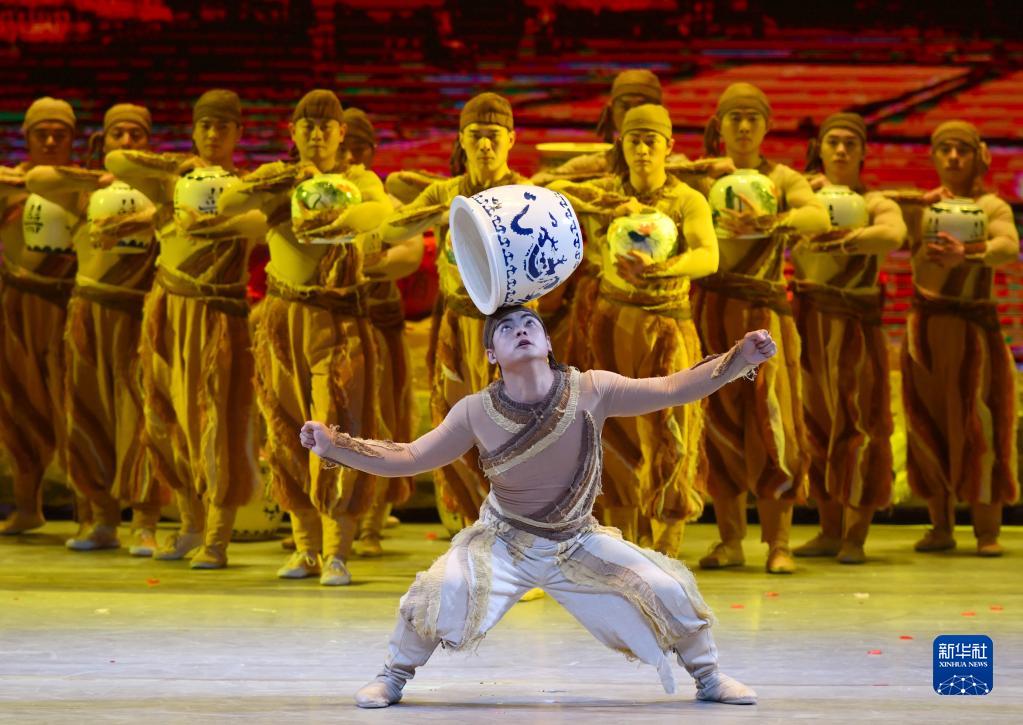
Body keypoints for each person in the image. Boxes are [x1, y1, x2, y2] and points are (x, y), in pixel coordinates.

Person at [301, 306, 771, 708]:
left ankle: (709, 677)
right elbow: (410, 457)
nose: (521, 330)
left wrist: (739, 358)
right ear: (491, 354)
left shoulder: (592, 388)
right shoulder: (475, 410)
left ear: (547, 342)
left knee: (665, 587)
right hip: (505, 540)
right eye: (506, 329)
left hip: (577, 540)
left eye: (530, 324)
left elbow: (671, 388)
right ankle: (392, 677)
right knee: (443, 588)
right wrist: (334, 445)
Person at [218, 90, 397, 584]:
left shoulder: (359, 180)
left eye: (325, 127)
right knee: (286, 427)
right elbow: (230, 201)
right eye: (307, 126)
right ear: (293, 132)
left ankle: (337, 550)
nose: (316, 135)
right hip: (284, 320)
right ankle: (305, 548)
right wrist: (281, 182)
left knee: (337, 424)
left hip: (338, 321)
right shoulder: (279, 178)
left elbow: (379, 212)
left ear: (341, 133)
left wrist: (339, 215)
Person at [105, 89, 264, 568]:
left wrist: (212, 222)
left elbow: (260, 223)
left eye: (223, 127)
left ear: (238, 133)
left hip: (217, 316)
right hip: (167, 313)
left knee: (215, 422)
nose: (213, 135)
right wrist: (180, 169)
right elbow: (118, 160)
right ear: (193, 131)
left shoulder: (246, 189)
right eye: (205, 126)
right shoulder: (174, 184)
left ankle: (217, 536)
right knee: (164, 420)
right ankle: (190, 523)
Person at [551, 104, 718, 557]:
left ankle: (666, 545)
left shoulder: (686, 199)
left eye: (651, 142)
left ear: (669, 146)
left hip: (667, 324)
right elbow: (552, 190)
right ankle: (621, 543)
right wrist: (606, 204)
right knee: (611, 428)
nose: (642, 150)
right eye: (634, 141)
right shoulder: (608, 192)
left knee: (671, 428)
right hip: (612, 322)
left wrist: (661, 269)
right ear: (621, 145)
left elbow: (708, 255)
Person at [693, 82, 830, 574]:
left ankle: (779, 543)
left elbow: (817, 216)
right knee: (718, 424)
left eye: (753, 118)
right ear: (720, 125)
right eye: (735, 117)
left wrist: (773, 219)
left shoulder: (782, 177)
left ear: (767, 126)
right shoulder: (704, 175)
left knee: (775, 423)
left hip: (765, 314)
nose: (745, 126)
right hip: (712, 309)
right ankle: (730, 541)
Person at [376, 92, 528, 523]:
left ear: (511, 139)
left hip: (510, 327)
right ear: (461, 140)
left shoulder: (525, 195)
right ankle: (470, 529)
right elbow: (390, 229)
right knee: (459, 424)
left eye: (494, 135)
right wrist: (440, 213)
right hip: (458, 324)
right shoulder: (446, 193)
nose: (485, 145)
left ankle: (517, 533)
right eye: (475, 135)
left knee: (515, 428)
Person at [24, 103, 163, 554]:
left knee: (139, 420)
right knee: (86, 415)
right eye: (118, 135)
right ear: (103, 142)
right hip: (88, 315)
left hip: (136, 316)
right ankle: (100, 519)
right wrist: (94, 180)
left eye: (136, 136)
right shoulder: (83, 195)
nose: (127, 142)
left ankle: (144, 522)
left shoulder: (160, 197)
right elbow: (37, 180)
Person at [789, 113, 906, 564]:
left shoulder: (875, 202)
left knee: (860, 426)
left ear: (863, 152)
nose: (840, 150)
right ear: (819, 148)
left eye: (850, 144)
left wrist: (840, 240)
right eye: (833, 142)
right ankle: (828, 529)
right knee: (815, 426)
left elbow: (893, 234)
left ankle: (855, 535)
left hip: (856, 327)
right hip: (810, 323)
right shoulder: (804, 196)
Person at [899, 121, 1019, 556]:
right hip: (927, 331)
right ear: (933, 156)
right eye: (945, 149)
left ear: (978, 156)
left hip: (974, 332)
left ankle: (987, 531)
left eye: (962, 150)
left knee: (980, 423)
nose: (953, 157)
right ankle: (940, 526)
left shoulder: (991, 206)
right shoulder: (922, 205)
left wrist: (967, 253)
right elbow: (878, 205)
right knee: (927, 424)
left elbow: (1008, 246)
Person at [342, 107, 418, 557]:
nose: (351, 157)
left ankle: (371, 522)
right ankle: (331, 517)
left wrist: (369, 264)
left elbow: (409, 254)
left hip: (377, 320)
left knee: (381, 418)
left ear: (372, 152)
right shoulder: (317, 199)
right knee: (337, 420)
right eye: (344, 148)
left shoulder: (386, 204)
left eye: (359, 148)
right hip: (332, 324)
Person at [0, 97, 78, 535]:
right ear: (26, 137)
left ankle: (93, 512)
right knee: (18, 405)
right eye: (41, 134)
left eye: (59, 134)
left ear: (72, 139)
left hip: (69, 307)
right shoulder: (10, 187)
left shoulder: (87, 188)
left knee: (77, 407)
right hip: (19, 307)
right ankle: (27, 506)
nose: (50, 142)